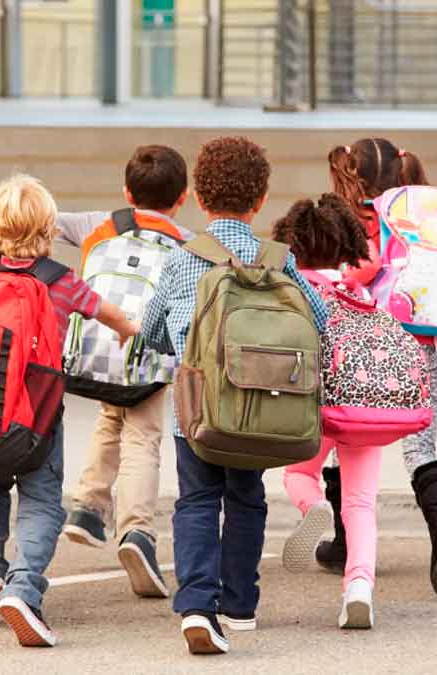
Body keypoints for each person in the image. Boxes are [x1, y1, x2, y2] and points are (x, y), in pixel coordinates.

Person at [0, 174, 139, 647]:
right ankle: (23, 588)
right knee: (42, 499)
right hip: (37, 418)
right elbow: (104, 311)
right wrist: (128, 328)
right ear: (48, 228)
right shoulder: (59, 281)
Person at [141, 137, 329, 655]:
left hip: (197, 413)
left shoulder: (184, 260)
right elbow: (322, 321)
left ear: (199, 198)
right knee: (246, 500)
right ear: (261, 198)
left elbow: (151, 329)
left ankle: (197, 605)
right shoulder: (278, 261)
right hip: (260, 408)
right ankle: (240, 605)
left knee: (196, 501)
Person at [324, 139, 437, 597]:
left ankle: (348, 541)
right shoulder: (422, 219)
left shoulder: (357, 221)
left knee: (344, 439)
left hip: (367, 344)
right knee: (420, 447)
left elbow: (357, 272)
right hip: (423, 341)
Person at [56, 144, 194, 599]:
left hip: (95, 349)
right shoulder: (186, 242)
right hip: (147, 354)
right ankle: (136, 533)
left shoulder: (99, 225)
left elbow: (46, 220)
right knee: (143, 438)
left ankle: (88, 506)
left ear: (126, 192)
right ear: (183, 197)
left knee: (110, 416)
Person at [271, 194, 384, 628]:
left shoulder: (293, 286)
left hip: (310, 407)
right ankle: (359, 587)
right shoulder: (358, 291)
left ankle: (314, 505)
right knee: (360, 502)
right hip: (360, 407)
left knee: (299, 474)